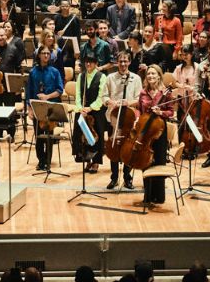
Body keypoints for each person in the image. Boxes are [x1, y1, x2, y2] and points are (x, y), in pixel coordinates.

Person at [137, 69, 177, 207]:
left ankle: (159, 196)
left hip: (159, 131)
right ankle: (147, 195)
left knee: (158, 161)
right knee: (145, 161)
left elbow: (171, 112)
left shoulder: (165, 93)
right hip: (146, 131)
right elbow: (139, 109)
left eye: (153, 74)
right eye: (148, 74)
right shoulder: (143, 92)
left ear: (159, 76)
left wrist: (161, 112)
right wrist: (138, 120)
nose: (150, 76)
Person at [105, 51, 144, 191]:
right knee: (114, 146)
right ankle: (114, 178)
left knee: (128, 148)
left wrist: (128, 103)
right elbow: (104, 97)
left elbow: (139, 99)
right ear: (117, 62)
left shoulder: (136, 78)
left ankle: (127, 178)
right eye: (120, 61)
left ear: (129, 62)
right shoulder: (110, 78)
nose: (122, 64)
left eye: (125, 61)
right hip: (114, 118)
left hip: (129, 118)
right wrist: (113, 102)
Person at [26, 39, 66, 171]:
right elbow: (29, 93)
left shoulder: (55, 72)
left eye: (48, 53)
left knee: (49, 136)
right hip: (37, 107)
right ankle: (41, 161)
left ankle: (48, 162)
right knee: (38, 136)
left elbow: (60, 90)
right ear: (39, 55)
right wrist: (29, 109)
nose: (46, 55)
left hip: (50, 107)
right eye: (43, 53)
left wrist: (47, 97)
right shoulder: (33, 72)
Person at [73, 54, 108, 171]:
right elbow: (78, 94)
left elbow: (101, 97)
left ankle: (96, 161)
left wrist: (90, 108)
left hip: (96, 111)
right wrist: (80, 107)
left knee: (96, 135)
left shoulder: (102, 76)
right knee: (83, 137)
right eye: (87, 61)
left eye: (91, 62)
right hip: (82, 110)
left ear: (96, 63)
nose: (88, 64)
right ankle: (87, 159)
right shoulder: (81, 76)